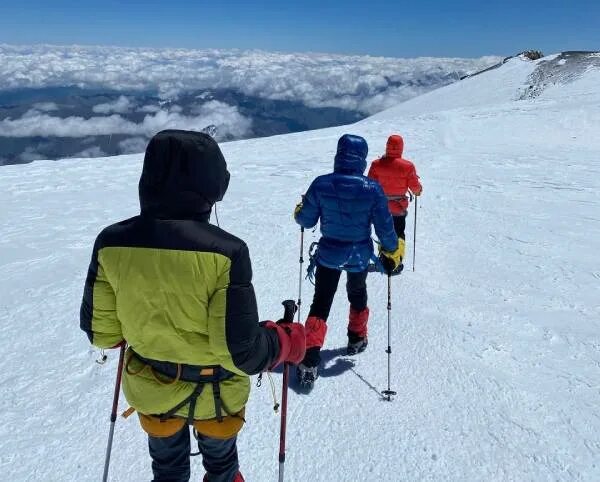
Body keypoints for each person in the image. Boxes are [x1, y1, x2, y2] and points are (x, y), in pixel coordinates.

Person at [80, 130, 306, 482]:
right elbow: (241, 353)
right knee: (221, 468)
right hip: (217, 397)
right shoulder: (227, 253)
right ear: (213, 187)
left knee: (167, 470)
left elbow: (102, 333)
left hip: (151, 387)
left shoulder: (110, 243)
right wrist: (285, 340)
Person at [293, 134, 403, 387]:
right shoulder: (372, 188)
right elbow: (385, 228)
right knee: (357, 292)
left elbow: (305, 220)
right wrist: (391, 251)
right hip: (358, 254)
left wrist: (300, 210)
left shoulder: (321, 184)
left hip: (328, 254)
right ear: (362, 159)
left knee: (321, 301)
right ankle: (356, 337)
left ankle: (309, 358)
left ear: (338, 155)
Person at [368, 134, 422, 248]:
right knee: (398, 235)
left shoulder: (376, 164)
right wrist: (418, 190)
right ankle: (396, 261)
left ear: (387, 146)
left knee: (383, 235)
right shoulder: (408, 166)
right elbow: (415, 188)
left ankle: (383, 260)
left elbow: (369, 186)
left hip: (381, 208)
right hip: (398, 209)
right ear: (401, 147)